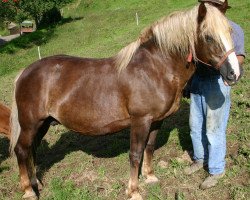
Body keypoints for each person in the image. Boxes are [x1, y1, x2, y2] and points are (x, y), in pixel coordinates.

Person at [184, 0, 245, 189]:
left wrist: (232, 72)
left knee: (214, 129)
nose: (213, 9)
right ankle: (199, 158)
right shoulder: (201, 29)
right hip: (198, 80)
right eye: (209, 5)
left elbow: (239, 56)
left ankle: (217, 169)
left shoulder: (234, 29)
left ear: (224, 8)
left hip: (216, 82)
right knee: (195, 125)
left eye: (217, 6)